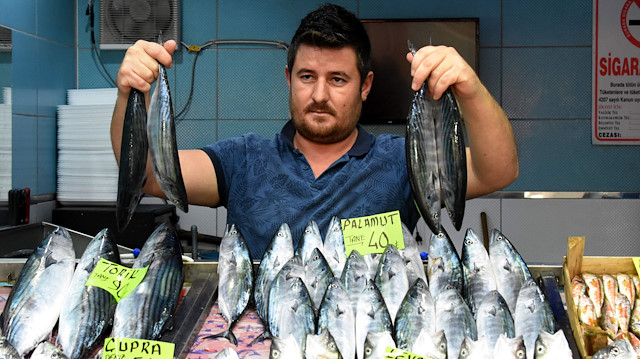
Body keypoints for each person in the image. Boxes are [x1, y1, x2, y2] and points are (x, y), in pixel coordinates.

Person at [110, 4, 518, 259]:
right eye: (307, 76)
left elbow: (497, 171)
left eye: (338, 79)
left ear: (366, 85)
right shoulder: (243, 159)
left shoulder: (402, 160)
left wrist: (471, 89)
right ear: (288, 78)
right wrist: (131, 94)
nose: (319, 94)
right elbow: (145, 175)